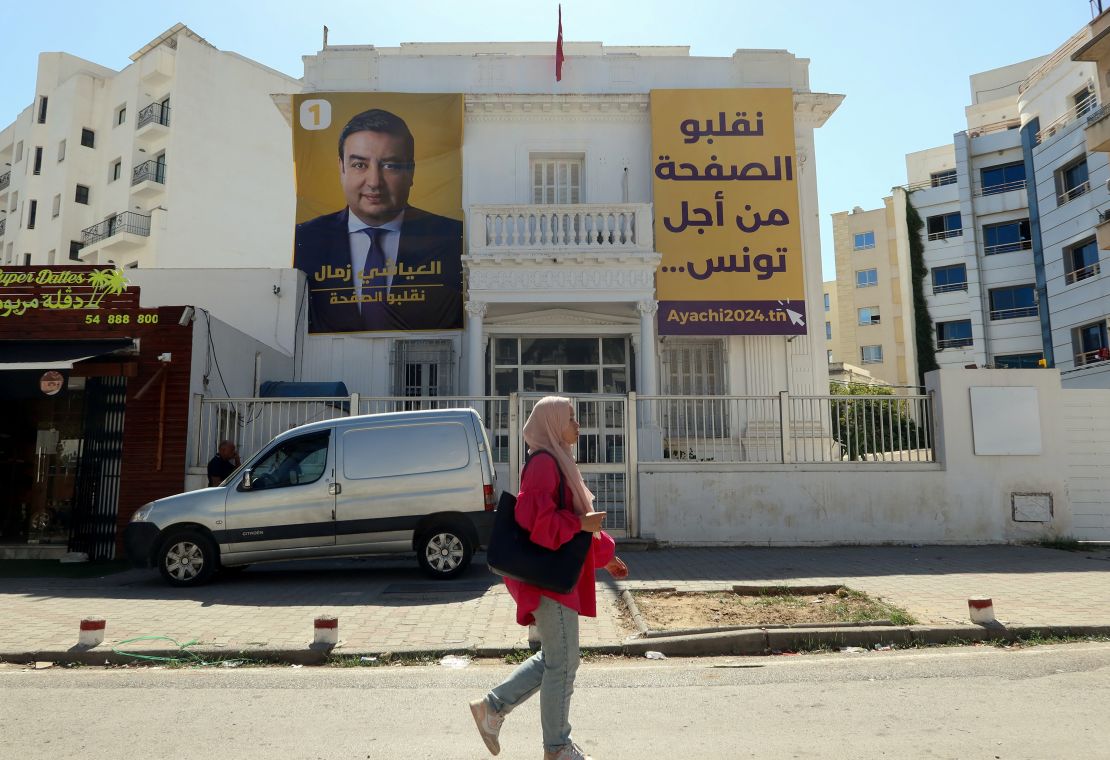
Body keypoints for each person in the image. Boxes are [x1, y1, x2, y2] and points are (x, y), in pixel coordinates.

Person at [469, 396, 629, 760]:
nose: (578, 425)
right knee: (563, 661)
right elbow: (535, 522)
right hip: (548, 582)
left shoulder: (560, 462)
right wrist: (580, 525)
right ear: (554, 424)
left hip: (556, 579)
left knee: (560, 659)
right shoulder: (544, 465)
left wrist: (604, 557)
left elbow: (575, 529)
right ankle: (555, 746)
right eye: (571, 418)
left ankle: (493, 708)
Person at [294, 107, 464, 333]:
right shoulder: (305, 239)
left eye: (390, 165)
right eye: (359, 165)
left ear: (411, 172)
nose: (374, 182)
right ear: (341, 168)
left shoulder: (453, 239)